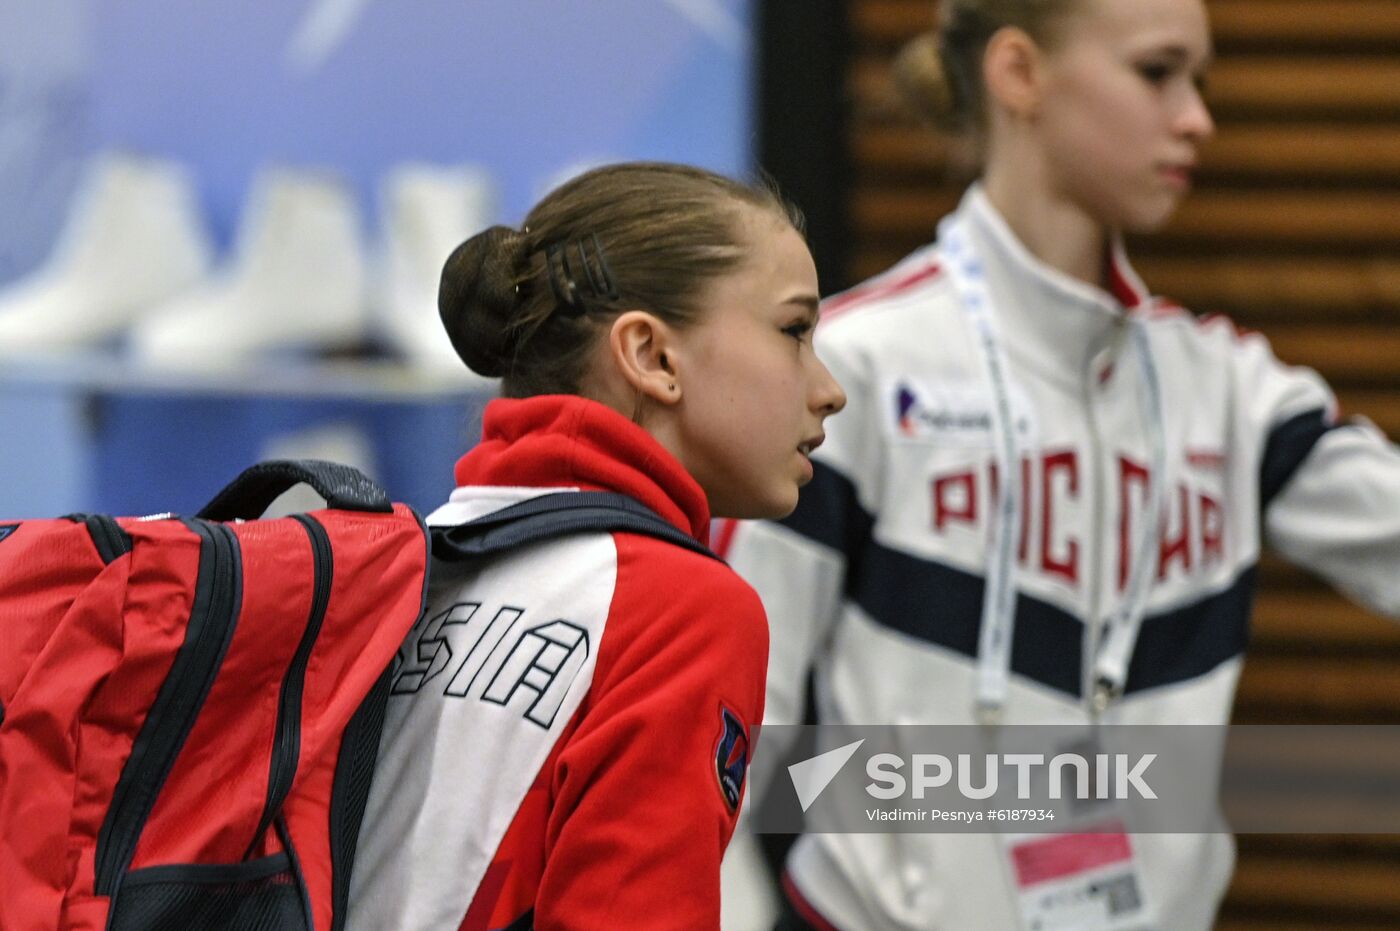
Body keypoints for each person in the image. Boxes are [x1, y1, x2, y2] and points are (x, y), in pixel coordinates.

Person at [719, 0, 1400, 929]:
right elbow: (722, 759)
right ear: (1019, 73)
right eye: (1158, 73)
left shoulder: (1231, 392)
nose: (1197, 116)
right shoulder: (849, 369)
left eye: (1199, 80)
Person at [346, 162, 846, 930]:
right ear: (650, 355)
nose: (827, 387)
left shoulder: (402, 567)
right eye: (794, 331)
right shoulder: (680, 608)